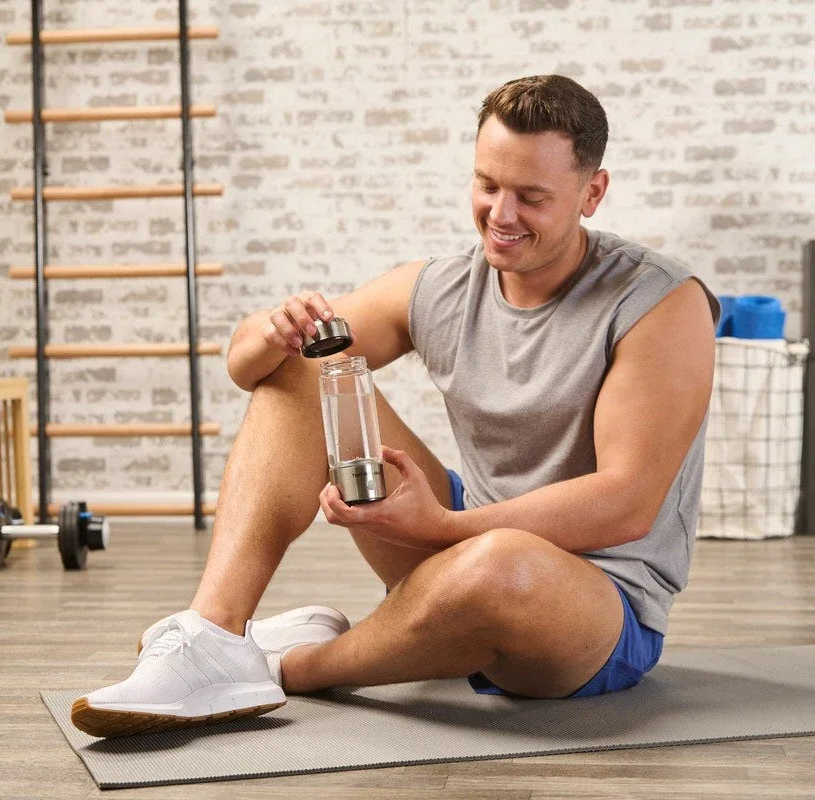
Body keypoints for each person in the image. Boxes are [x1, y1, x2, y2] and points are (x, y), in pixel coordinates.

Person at [70, 74, 719, 739]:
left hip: (593, 603)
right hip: (465, 539)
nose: (500, 214)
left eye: (531, 197)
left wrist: (435, 526)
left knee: (500, 565)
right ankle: (214, 632)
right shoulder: (442, 286)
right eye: (487, 185)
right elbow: (255, 370)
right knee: (310, 364)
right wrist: (268, 330)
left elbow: (627, 505)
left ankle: (290, 665)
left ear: (592, 192)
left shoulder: (660, 303)